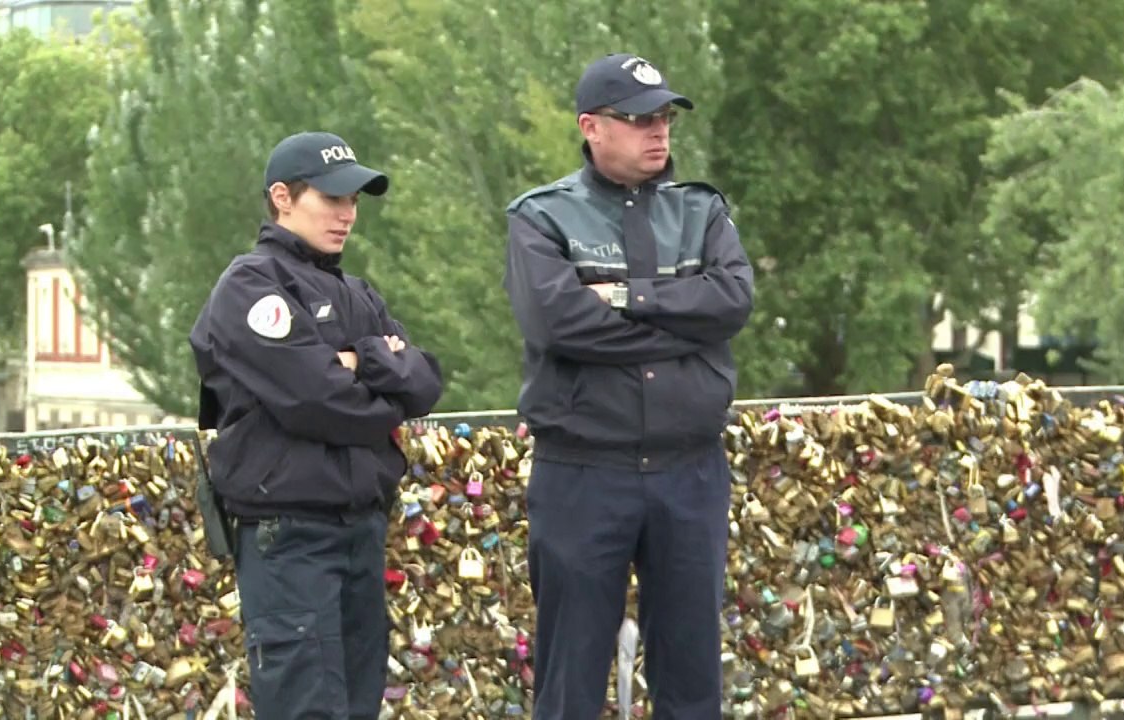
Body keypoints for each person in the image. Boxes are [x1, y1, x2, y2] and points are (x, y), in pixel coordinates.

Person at [503, 53, 754, 719]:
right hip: (584, 473)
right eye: (640, 119)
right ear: (591, 126)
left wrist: (622, 297)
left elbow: (731, 301)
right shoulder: (543, 218)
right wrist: (681, 319)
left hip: (690, 472)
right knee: (570, 676)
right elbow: (561, 326)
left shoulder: (701, 213)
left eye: (665, 117)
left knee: (693, 674)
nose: (659, 132)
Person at [189, 131, 443, 719]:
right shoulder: (250, 287)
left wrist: (357, 359)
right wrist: (383, 384)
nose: (347, 214)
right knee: (306, 707)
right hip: (290, 537)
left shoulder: (357, 293)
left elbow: (425, 380)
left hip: (360, 528)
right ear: (282, 197)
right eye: (331, 199)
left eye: (354, 201)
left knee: (357, 706)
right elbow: (319, 400)